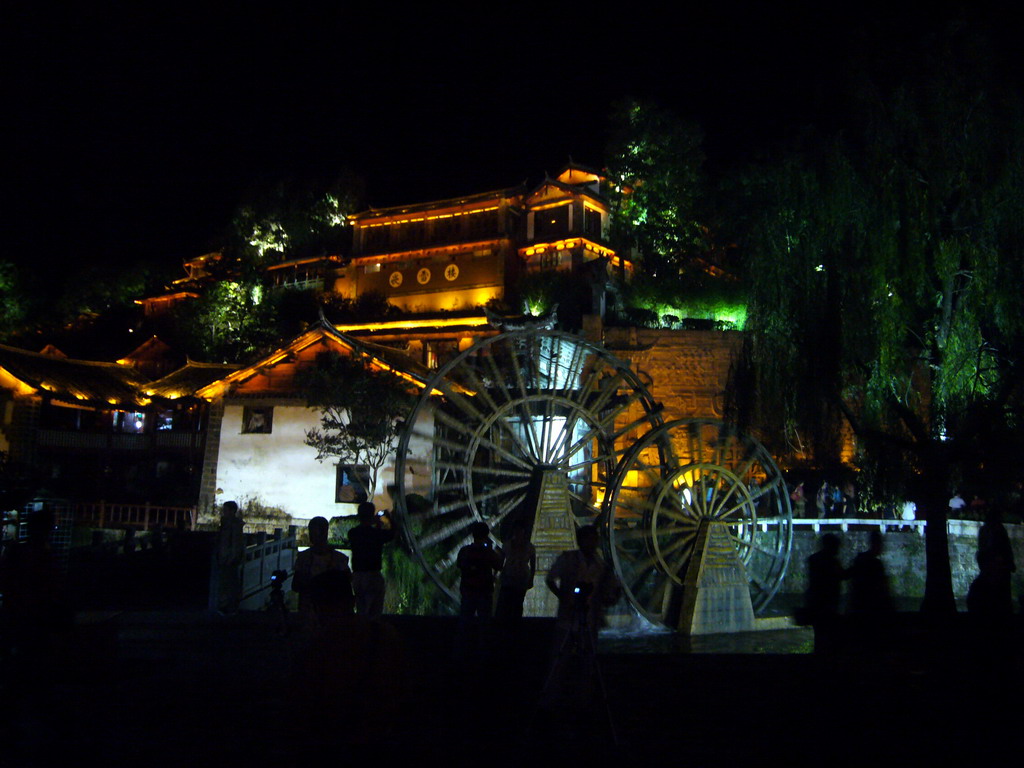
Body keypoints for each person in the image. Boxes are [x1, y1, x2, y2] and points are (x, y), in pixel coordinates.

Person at [545, 525, 616, 644]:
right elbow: (550, 578)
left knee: (587, 650)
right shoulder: (568, 559)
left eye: (594, 540)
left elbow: (613, 585)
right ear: (581, 541)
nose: (593, 543)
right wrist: (564, 597)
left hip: (590, 617)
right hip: (569, 615)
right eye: (590, 539)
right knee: (564, 648)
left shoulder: (601, 565)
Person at [346, 501, 396, 618]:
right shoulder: (376, 534)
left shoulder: (353, 533)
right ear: (372, 515)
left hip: (358, 576)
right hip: (373, 575)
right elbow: (392, 533)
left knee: (361, 610)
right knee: (375, 611)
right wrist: (387, 518)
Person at [292, 516, 350, 617]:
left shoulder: (338, 559)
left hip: (330, 610)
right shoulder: (304, 558)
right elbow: (296, 585)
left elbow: (346, 585)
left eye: (315, 532)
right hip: (311, 609)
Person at [803, 533, 848, 652]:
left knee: (819, 636)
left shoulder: (814, 559)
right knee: (829, 637)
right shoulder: (832, 561)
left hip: (816, 604)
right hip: (829, 605)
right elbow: (843, 575)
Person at [456, 521, 504, 618]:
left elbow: (459, 565)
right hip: (484, 592)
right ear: (486, 535)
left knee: (466, 621)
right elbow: (499, 565)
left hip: (468, 591)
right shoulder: (488, 552)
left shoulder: (464, 551)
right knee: (484, 623)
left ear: (473, 534)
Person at [495, 521, 536, 622]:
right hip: (518, 576)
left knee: (511, 601)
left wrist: (496, 574)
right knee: (515, 601)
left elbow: (501, 562)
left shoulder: (507, 545)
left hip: (513, 575)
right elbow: (533, 565)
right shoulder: (529, 547)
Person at [848, 530, 893, 616]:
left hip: (860, 606)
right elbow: (882, 588)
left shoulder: (861, 559)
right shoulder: (875, 564)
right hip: (871, 607)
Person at [216, 501, 245, 614]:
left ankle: (229, 605)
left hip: (229, 558)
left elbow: (235, 543)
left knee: (229, 583)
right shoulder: (226, 524)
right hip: (224, 556)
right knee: (225, 582)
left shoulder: (234, 525)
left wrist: (232, 557)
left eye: (226, 510)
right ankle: (225, 605)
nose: (224, 512)